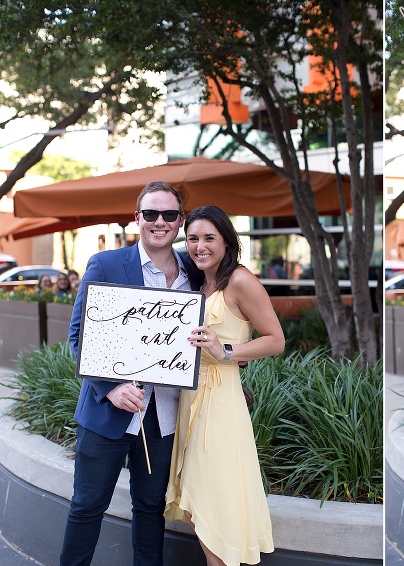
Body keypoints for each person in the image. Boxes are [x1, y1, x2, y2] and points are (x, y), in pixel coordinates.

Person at [60, 182, 203, 566]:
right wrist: (109, 388)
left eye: (169, 215)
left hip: (164, 415)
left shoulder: (195, 269)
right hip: (110, 413)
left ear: (180, 220)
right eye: (151, 214)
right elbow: (78, 337)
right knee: (88, 505)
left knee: (149, 508)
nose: (160, 222)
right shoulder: (106, 264)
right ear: (137, 218)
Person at [165, 205, 285, 566]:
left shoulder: (240, 280)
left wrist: (227, 350)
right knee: (195, 506)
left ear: (227, 240)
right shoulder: (201, 283)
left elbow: (276, 339)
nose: (199, 246)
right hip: (190, 397)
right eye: (192, 239)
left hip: (220, 401)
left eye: (208, 238)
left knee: (214, 501)